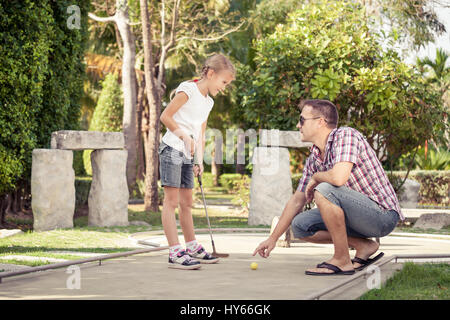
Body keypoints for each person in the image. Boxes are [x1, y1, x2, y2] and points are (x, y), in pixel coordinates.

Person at [253, 99, 404, 275]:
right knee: (300, 225)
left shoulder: (346, 135)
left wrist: (317, 177)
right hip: (355, 217)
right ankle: (363, 245)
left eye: (302, 120)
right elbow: (297, 201)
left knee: (324, 189)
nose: (297, 124)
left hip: (381, 216)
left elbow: (338, 178)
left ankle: (342, 260)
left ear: (320, 122)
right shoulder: (314, 158)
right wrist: (272, 239)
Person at [159, 54, 235, 270]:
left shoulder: (208, 102)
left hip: (188, 153)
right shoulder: (188, 90)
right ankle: (175, 252)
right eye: (223, 82)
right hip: (172, 148)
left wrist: (199, 160)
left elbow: (200, 134)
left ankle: (191, 246)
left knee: (187, 203)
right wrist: (184, 136)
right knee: (171, 202)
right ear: (211, 74)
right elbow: (166, 116)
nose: (224, 88)